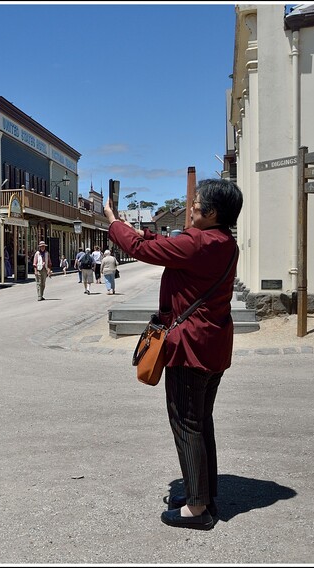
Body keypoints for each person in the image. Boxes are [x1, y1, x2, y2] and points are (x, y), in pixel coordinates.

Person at [105, 178, 243, 531]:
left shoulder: (197, 242)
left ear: (211, 213)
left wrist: (114, 222)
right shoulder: (225, 243)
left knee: (186, 423)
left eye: (197, 204)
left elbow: (140, 247)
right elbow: (166, 245)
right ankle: (204, 495)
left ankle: (197, 508)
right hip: (214, 343)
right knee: (201, 421)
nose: (192, 207)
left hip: (189, 347)